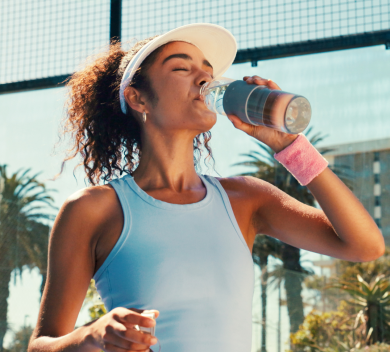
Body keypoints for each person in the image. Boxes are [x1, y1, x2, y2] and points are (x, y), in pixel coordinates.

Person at [28, 23, 385, 352]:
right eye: (182, 68)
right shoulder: (94, 209)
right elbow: (41, 345)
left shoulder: (246, 198)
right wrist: (93, 335)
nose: (205, 77)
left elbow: (365, 245)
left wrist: (290, 146)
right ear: (138, 99)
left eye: (208, 71)